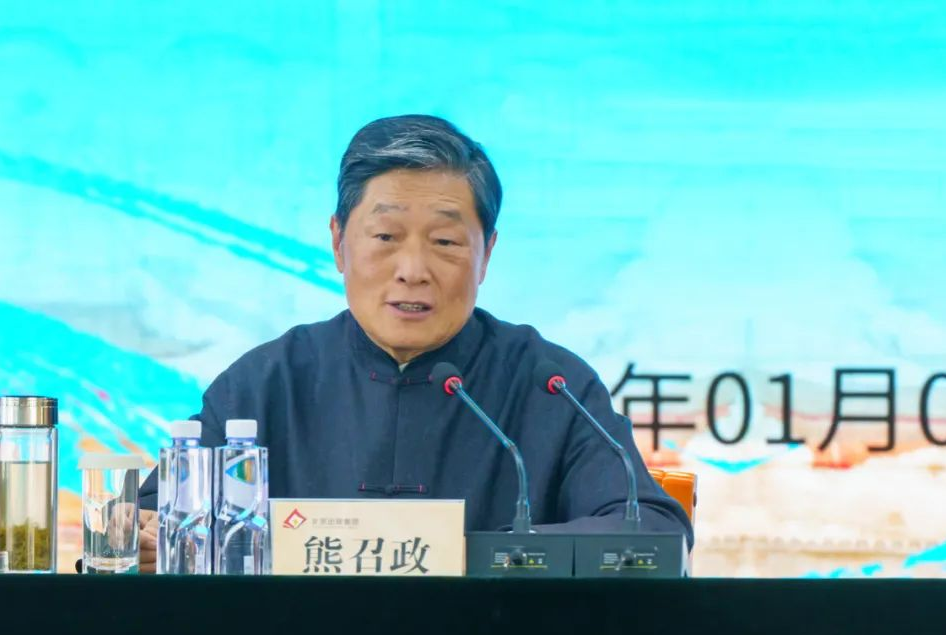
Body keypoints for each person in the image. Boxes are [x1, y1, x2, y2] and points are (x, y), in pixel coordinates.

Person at [136, 114, 693, 573]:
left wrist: (479, 556)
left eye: (445, 241)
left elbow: (652, 529)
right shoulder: (266, 383)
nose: (412, 270)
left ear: (487, 254)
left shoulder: (548, 384)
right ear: (338, 242)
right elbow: (151, 522)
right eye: (385, 236)